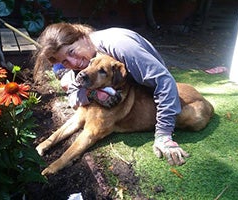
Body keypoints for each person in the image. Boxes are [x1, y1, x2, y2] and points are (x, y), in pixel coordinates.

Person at [33, 22, 189, 166]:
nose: (73, 63)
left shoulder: (121, 47)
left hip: (146, 88)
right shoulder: (87, 60)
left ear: (82, 37)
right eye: (65, 62)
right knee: (66, 81)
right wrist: (91, 95)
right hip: (124, 88)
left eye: (72, 52)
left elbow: (165, 82)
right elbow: (74, 96)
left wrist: (163, 134)